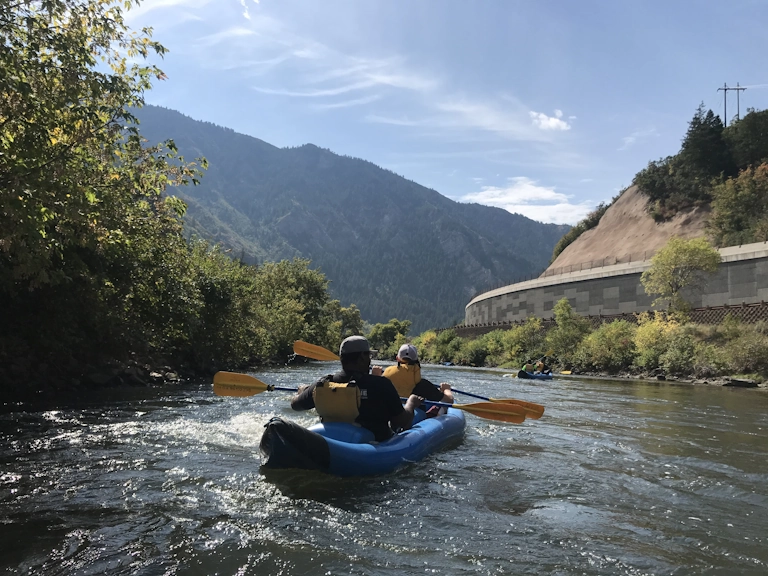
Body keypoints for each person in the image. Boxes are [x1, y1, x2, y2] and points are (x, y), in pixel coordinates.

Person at [291, 335, 422, 441]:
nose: (370, 361)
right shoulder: (381, 384)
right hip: (373, 444)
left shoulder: (323, 383)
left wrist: (304, 391)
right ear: (361, 358)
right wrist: (411, 403)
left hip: (331, 438)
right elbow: (401, 422)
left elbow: (296, 405)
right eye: (368, 356)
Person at [381, 344, 454, 412]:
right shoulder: (423, 385)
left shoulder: (387, 372)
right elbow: (449, 400)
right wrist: (447, 389)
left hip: (389, 410)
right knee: (440, 405)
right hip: (409, 415)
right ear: (416, 361)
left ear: (397, 358)